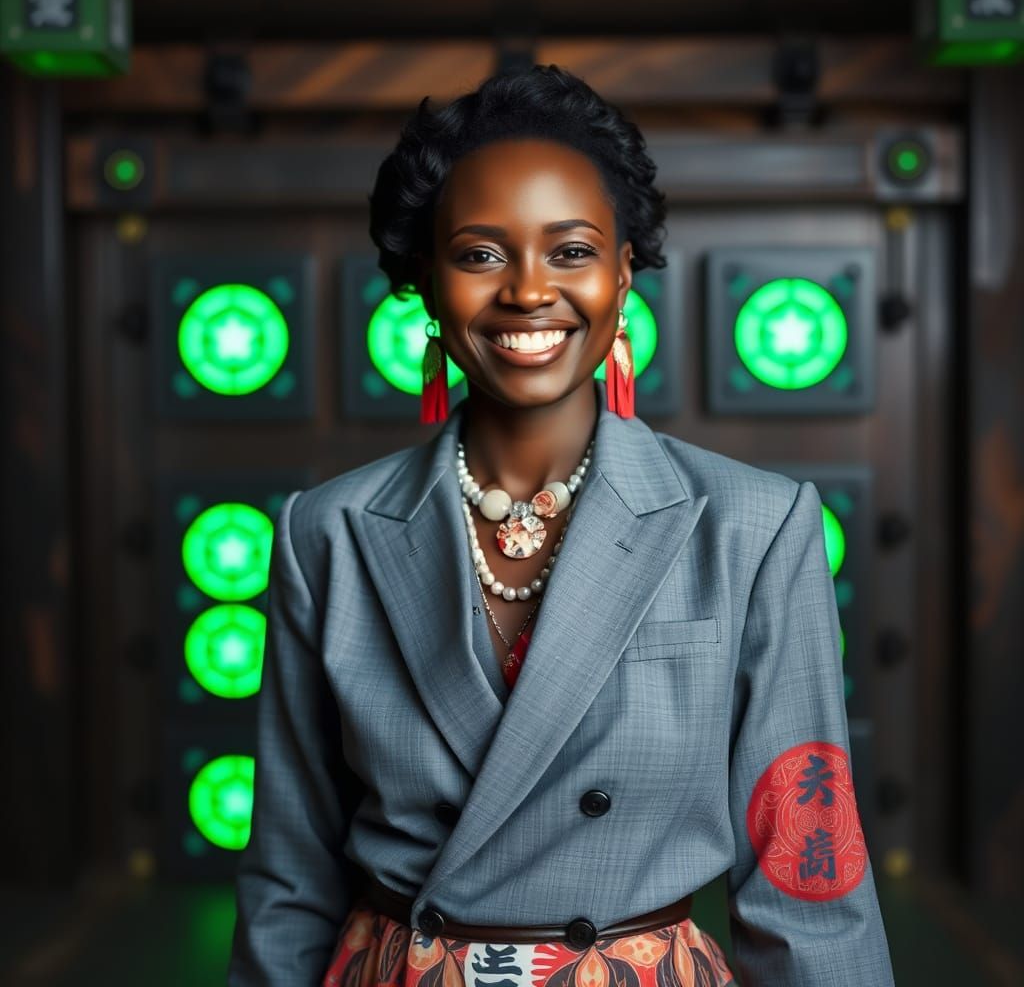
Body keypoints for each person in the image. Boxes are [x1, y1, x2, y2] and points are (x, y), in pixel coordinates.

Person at [228, 64, 895, 986]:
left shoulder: (755, 526)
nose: (529, 292)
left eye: (572, 251)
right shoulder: (326, 532)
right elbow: (290, 876)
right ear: (427, 280)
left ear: (625, 271)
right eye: (481, 254)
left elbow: (806, 872)